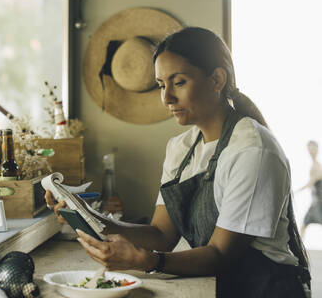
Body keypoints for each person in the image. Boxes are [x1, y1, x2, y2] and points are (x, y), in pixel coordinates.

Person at [45, 27, 311, 297]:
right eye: (161, 84)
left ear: (217, 79)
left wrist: (148, 262)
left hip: (264, 289)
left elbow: (221, 254)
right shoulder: (181, 148)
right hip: (218, 285)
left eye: (179, 82)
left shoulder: (252, 151)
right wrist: (88, 216)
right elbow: (162, 234)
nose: (166, 97)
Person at [297, 140, 322, 238]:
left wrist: (297, 191)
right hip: (315, 202)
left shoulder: (317, 166)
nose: (310, 150)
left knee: (304, 224)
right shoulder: (314, 165)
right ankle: (298, 249)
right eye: (309, 148)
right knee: (304, 224)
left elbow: (312, 181)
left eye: (312, 148)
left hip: (319, 202)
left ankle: (298, 249)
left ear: (317, 149)